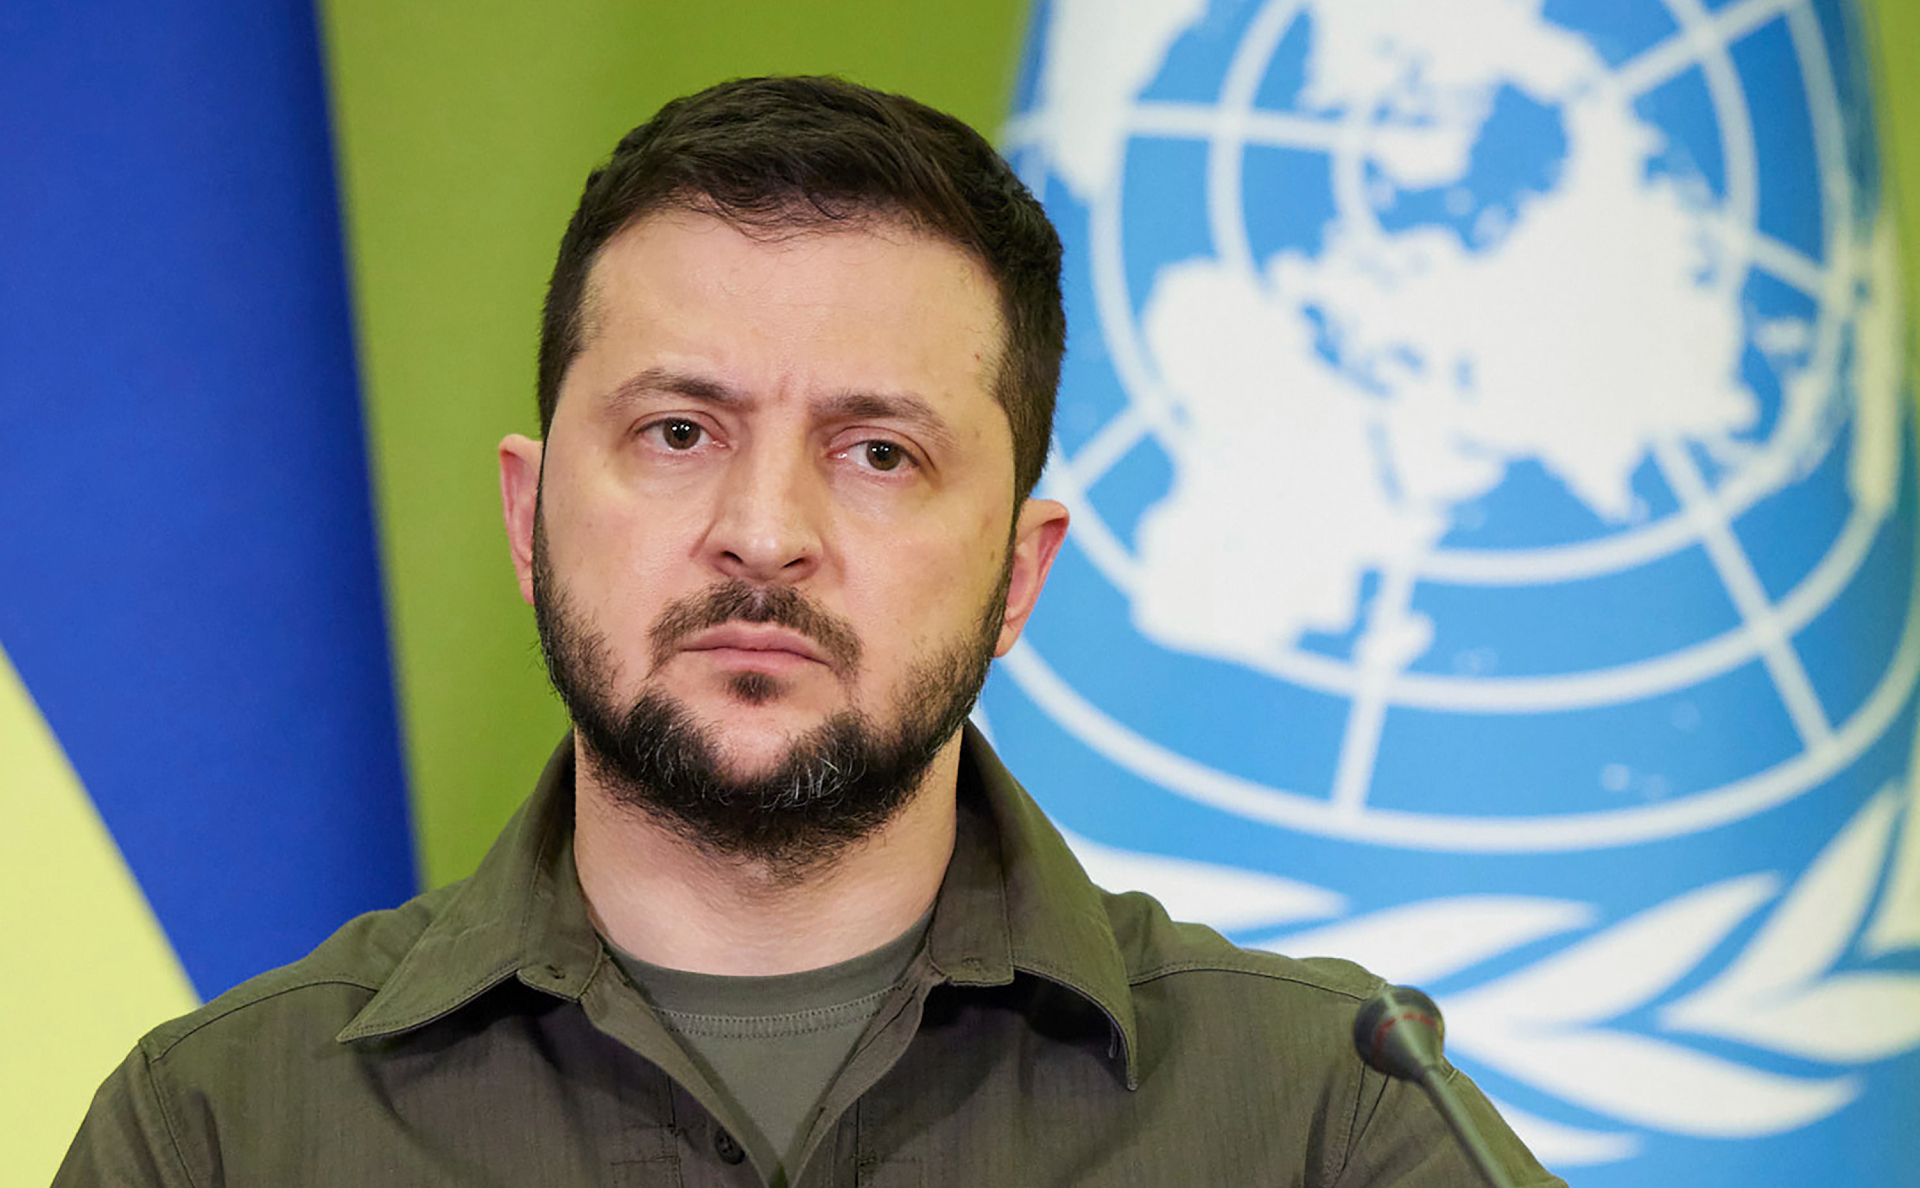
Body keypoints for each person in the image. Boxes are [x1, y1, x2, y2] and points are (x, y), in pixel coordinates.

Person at [57, 75, 1564, 1187]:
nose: (766, 530)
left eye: (879, 453)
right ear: (527, 516)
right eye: (677, 431)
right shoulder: (220, 1132)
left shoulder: (1329, 1123)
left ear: (1019, 575)